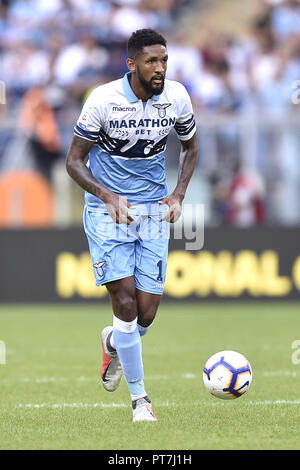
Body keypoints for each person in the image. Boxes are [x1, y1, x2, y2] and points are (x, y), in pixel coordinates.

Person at [66, 28, 198, 422]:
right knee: (123, 302)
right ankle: (141, 402)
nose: (159, 69)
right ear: (131, 64)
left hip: (154, 210)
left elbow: (191, 147)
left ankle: (115, 342)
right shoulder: (103, 100)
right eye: (151, 61)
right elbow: (74, 161)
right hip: (108, 211)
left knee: (145, 313)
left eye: (164, 61)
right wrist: (107, 195)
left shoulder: (176, 97)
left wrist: (178, 194)